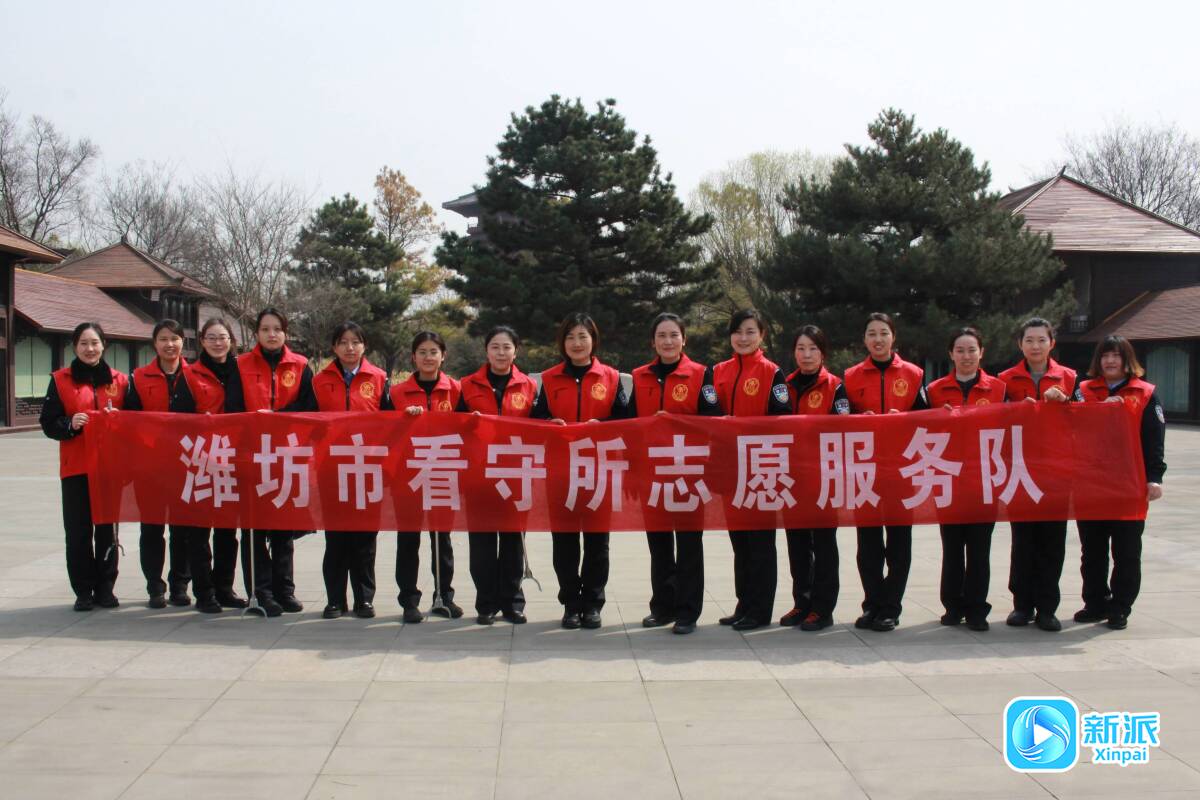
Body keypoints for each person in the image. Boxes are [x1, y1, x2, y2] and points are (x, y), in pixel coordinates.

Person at [532, 312, 629, 630]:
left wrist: (603, 425)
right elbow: (534, 418)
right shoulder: (548, 379)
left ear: (593, 340)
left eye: (582, 336)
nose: (576, 343)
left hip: (600, 469)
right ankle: (571, 604)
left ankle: (593, 604)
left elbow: (626, 420)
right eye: (570, 337)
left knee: (598, 542)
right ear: (562, 342)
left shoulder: (611, 377)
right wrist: (549, 423)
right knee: (564, 542)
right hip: (560, 471)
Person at [628, 313, 721, 635]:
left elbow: (714, 419)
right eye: (661, 336)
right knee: (659, 544)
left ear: (684, 339)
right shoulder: (639, 376)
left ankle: (687, 611)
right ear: (653, 342)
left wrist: (676, 421)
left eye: (673, 335)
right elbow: (628, 425)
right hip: (652, 472)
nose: (668, 341)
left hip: (688, 471)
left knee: (689, 543)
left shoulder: (701, 374)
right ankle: (663, 606)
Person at [1072, 335, 1166, 630]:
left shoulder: (1145, 393)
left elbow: (1154, 439)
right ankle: (1095, 602)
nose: (1110, 361)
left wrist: (1155, 477)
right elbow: (1071, 428)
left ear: (1127, 360)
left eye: (1117, 355)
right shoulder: (1083, 391)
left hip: (1129, 484)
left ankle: (1120, 606)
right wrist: (1100, 410)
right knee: (1092, 550)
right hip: (1091, 484)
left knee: (1126, 551)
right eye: (1105, 355)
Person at [842, 312, 927, 632]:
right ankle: (872, 605)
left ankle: (891, 607)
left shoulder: (914, 374)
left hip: (901, 471)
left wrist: (903, 420)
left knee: (899, 545)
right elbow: (839, 419)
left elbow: (926, 419)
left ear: (893, 337)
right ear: (864, 339)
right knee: (868, 546)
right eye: (871, 333)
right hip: (865, 470)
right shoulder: (851, 376)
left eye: (883, 333)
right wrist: (857, 420)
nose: (878, 339)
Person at [712, 309, 791, 632]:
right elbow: (707, 416)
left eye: (750, 332)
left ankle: (760, 610)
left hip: (761, 468)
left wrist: (744, 427)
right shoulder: (718, 371)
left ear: (762, 335)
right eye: (738, 332)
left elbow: (782, 418)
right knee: (740, 542)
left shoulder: (772, 373)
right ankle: (743, 604)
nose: (743, 338)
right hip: (730, 468)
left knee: (760, 543)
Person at [40, 322, 127, 611]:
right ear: (74, 347)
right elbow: (48, 423)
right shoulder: (60, 380)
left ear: (104, 345)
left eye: (95, 343)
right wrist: (70, 424)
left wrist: (119, 421)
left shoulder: (120, 380)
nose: (90, 349)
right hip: (75, 469)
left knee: (106, 530)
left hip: (109, 469)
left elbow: (135, 423)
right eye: (83, 344)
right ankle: (83, 591)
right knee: (78, 532)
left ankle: (105, 588)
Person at [998, 317, 1078, 632]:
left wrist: (1066, 402)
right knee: (1023, 540)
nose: (1035, 346)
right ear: (1020, 344)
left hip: (1056, 470)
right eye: (1029, 340)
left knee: (1052, 541)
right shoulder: (1005, 380)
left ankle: (1047, 608)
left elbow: (1084, 418)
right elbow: (993, 420)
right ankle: (1022, 605)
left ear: (1051, 343)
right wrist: (1015, 409)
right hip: (1020, 469)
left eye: (1041, 340)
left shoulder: (1069, 377)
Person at [924, 327, 1006, 632]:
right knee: (953, 547)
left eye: (972, 350)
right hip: (949, 478)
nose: (966, 356)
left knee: (979, 549)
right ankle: (952, 605)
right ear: (951, 354)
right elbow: (919, 430)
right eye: (960, 350)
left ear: (981, 353)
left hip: (985, 478)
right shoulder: (934, 390)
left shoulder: (999, 389)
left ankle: (977, 608)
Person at [236, 307, 316, 617]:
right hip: (252, 455)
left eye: (277, 329)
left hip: (286, 455)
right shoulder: (240, 365)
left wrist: (277, 418)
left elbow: (310, 407)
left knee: (284, 529)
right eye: (265, 329)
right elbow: (233, 408)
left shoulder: (301, 366)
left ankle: (285, 590)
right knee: (254, 529)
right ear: (256, 333)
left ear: (285, 333)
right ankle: (261, 591)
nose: (271, 334)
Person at [456, 326, 536, 626]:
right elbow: (452, 426)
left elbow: (539, 426)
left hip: (517, 473)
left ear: (516, 351)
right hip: (479, 475)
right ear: (486, 351)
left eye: (507, 347)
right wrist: (467, 424)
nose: (501, 353)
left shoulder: (529, 386)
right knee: (482, 544)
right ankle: (486, 603)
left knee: (514, 541)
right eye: (495, 347)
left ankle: (513, 602)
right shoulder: (467, 385)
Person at [312, 321, 390, 620]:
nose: (349, 348)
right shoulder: (319, 381)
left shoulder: (379, 379)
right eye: (343, 342)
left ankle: (364, 599)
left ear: (364, 346)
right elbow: (307, 421)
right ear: (334, 347)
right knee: (335, 540)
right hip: (331, 469)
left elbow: (390, 422)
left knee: (365, 541)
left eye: (355, 342)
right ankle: (335, 600)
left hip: (367, 469)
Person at [781, 324, 850, 631]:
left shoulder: (836, 387)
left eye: (813, 349)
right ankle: (802, 601)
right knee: (797, 543)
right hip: (792, 477)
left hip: (823, 476)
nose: (806, 355)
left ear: (823, 353)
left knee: (823, 544)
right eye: (801, 348)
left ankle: (822, 608)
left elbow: (843, 428)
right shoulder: (784, 385)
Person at [389, 331, 461, 623]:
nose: (428, 357)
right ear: (413, 357)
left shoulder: (456, 390)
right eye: (422, 352)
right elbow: (382, 432)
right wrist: (402, 420)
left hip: (444, 472)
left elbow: (467, 430)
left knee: (442, 539)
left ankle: (444, 596)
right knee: (408, 540)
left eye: (434, 352)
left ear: (443, 356)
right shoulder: (396, 393)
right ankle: (409, 600)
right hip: (407, 476)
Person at [125, 319, 197, 609]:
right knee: (152, 528)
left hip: (185, 465)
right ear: (154, 344)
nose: (170, 344)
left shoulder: (195, 376)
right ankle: (155, 586)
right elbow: (129, 422)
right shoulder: (138, 378)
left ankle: (180, 585)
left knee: (183, 529)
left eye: (175, 338)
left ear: (183, 342)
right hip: (150, 467)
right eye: (163, 339)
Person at [186, 317, 248, 610]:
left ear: (231, 341)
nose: (217, 343)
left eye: (222, 337)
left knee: (227, 530)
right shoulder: (190, 374)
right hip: (200, 459)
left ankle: (225, 588)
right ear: (202, 341)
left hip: (232, 459)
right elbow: (178, 418)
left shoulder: (242, 371)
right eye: (211, 337)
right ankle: (204, 592)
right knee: (200, 531)